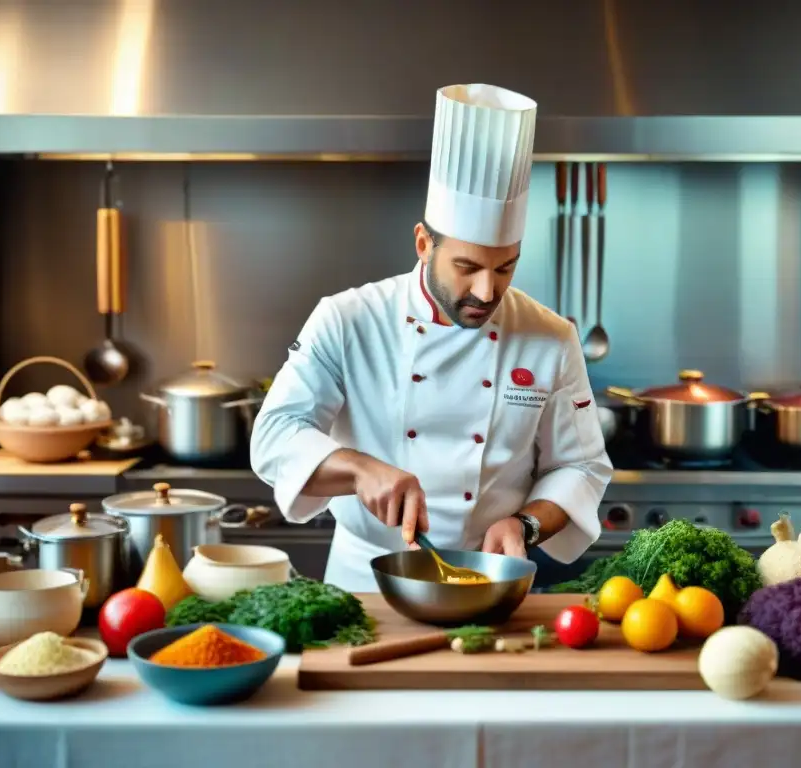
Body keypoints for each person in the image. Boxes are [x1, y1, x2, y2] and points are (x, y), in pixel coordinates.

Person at [250, 83, 613, 592]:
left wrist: (525, 524)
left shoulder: (550, 337)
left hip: (491, 582)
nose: (487, 291)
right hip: (365, 583)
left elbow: (580, 465)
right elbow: (274, 436)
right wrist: (358, 470)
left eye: (505, 267)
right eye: (467, 266)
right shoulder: (348, 319)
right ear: (424, 243)